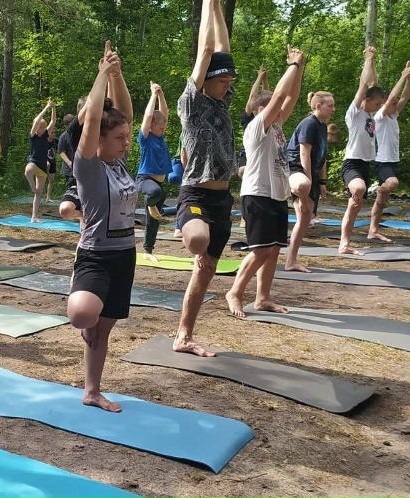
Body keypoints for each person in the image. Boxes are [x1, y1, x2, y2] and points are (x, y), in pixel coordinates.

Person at [68, 41, 135, 413]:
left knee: (100, 332)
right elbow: (92, 119)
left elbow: (124, 112)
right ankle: (80, 299)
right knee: (83, 315)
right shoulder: (89, 167)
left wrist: (117, 75)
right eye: (119, 138)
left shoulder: (120, 163)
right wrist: (101, 74)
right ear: (100, 140)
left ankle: (91, 390)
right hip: (95, 255)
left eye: (127, 137)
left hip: (125, 256)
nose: (126, 143)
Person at [172, 0, 234, 356]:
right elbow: (209, 48)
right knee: (197, 241)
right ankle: (185, 227)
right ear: (206, 80)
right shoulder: (191, 102)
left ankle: (184, 335)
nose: (227, 85)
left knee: (207, 269)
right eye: (222, 80)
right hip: (195, 193)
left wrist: (216, 7)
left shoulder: (223, 102)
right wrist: (208, 6)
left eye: (229, 80)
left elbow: (223, 49)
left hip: (222, 199)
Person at [227, 47, 305, 317]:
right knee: (260, 251)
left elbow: (291, 96)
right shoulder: (256, 127)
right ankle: (235, 292)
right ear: (263, 109)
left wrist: (300, 66)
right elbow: (281, 96)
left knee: (273, 251)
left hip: (277, 194)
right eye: (275, 107)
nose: (281, 110)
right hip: (257, 193)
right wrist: (292, 65)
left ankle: (263, 298)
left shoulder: (278, 127)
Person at [337, 46, 385, 254]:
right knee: (358, 189)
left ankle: (344, 243)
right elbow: (364, 85)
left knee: (355, 206)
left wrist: (372, 62)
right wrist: (368, 58)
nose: (378, 107)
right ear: (366, 100)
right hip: (352, 163)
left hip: (365, 164)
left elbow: (373, 85)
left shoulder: (370, 115)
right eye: (377, 103)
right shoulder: (354, 113)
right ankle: (344, 243)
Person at [284, 89, 333, 272]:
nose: (333, 109)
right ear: (318, 106)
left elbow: (322, 156)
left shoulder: (322, 126)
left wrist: (322, 182)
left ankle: (291, 260)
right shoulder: (309, 124)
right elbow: (304, 154)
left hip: (311, 172)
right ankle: (290, 261)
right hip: (297, 168)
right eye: (331, 106)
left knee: (305, 220)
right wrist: (309, 180)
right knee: (303, 190)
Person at [368, 62, 410, 242]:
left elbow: (405, 96)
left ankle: (373, 230)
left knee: (382, 202)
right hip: (383, 161)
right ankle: (378, 188)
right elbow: (393, 97)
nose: (396, 105)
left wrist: (409, 79)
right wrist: (402, 76)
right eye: (393, 104)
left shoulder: (393, 116)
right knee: (392, 183)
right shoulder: (379, 117)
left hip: (393, 161)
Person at [136, 82, 171, 262]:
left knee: (154, 220)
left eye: (164, 128)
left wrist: (161, 93)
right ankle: (149, 202)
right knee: (155, 193)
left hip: (158, 183)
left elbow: (164, 113)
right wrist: (152, 95)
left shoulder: (160, 136)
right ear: (151, 126)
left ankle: (148, 250)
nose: (163, 130)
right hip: (145, 180)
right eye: (160, 127)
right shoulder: (146, 138)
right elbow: (149, 116)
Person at [25, 100, 57, 223]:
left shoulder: (45, 134)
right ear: (36, 127)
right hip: (34, 162)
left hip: (43, 165)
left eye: (44, 127)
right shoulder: (33, 135)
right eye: (41, 127)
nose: (43, 129)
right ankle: (32, 186)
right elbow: (37, 120)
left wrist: (53, 108)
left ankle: (34, 216)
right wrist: (46, 107)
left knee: (39, 194)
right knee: (28, 171)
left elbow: (53, 121)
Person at [58, 98, 87, 226]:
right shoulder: (72, 131)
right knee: (66, 210)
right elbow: (61, 151)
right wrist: (69, 162)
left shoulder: (103, 129)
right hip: (77, 179)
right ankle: (81, 216)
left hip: (99, 180)